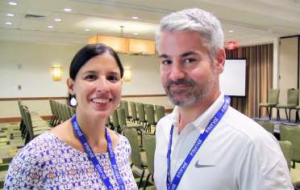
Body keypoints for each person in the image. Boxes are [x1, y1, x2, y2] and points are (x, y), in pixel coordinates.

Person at [154, 8, 293, 190]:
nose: (175, 74)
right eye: (166, 61)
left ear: (219, 60)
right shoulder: (164, 128)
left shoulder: (253, 145)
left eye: (189, 60)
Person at [4, 44, 138, 190]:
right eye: (91, 76)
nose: (104, 87)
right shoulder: (36, 155)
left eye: (112, 78)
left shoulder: (122, 146)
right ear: (71, 86)